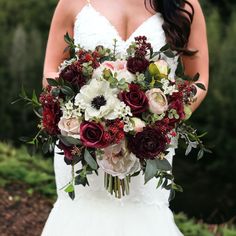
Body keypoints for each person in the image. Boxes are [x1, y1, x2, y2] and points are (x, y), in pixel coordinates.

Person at [41, 0, 209, 235]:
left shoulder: (184, 4)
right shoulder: (72, 2)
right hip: (85, 144)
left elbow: (198, 81)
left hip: (149, 146)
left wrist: (162, 120)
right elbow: (51, 71)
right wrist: (82, 116)